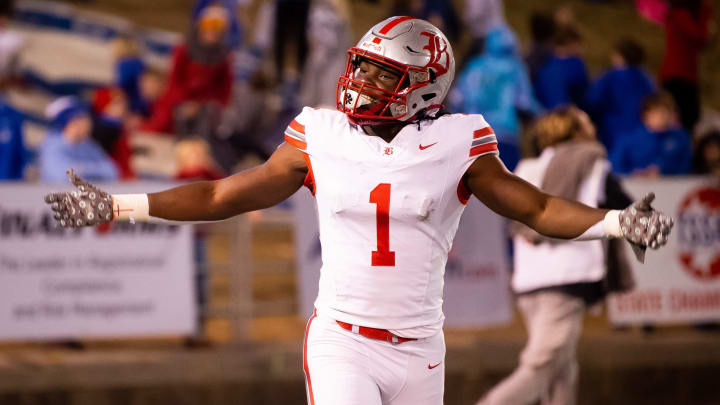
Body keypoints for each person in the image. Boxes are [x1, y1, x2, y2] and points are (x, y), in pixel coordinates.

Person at [44, 18, 673, 405]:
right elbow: (218, 195)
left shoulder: (461, 140)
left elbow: (534, 207)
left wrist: (618, 221)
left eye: (381, 75)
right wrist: (116, 204)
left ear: (423, 84)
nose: (362, 84)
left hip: (424, 347)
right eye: (363, 69)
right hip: (343, 340)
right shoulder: (319, 132)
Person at [476, 106, 635, 405]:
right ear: (572, 131)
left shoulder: (525, 168)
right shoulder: (592, 162)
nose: (593, 126)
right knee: (541, 366)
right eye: (586, 121)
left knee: (561, 366)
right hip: (566, 277)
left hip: (528, 280)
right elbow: (627, 207)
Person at [450, 25, 540, 171]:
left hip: (473, 136)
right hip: (506, 136)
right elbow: (524, 102)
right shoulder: (515, 67)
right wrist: (543, 114)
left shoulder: (475, 66)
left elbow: (457, 99)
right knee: (505, 187)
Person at [586, 38, 656, 153]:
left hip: (612, 130)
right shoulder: (646, 78)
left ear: (619, 56)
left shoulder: (609, 77)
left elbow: (593, 100)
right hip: (641, 130)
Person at [659, 0, 712, 133]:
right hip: (677, 74)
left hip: (685, 73)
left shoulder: (681, 14)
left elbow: (701, 42)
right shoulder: (680, 14)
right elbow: (700, 37)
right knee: (684, 117)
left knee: (689, 117)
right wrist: (705, 11)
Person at [39, 97, 119, 184]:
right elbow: (61, 177)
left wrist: (82, 169)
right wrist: (95, 172)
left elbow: (112, 171)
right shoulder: (52, 145)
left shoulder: (89, 145)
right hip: (58, 196)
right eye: (80, 119)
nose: (88, 124)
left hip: (87, 195)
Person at [610, 93, 692, 176]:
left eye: (665, 113)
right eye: (656, 113)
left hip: (672, 186)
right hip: (634, 186)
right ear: (645, 115)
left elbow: (685, 167)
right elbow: (616, 167)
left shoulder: (680, 138)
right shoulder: (627, 139)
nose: (661, 118)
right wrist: (634, 174)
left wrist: (663, 171)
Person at [533, 25, 589, 110]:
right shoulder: (576, 65)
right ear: (571, 43)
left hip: (544, 117)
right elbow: (586, 97)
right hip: (566, 117)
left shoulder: (543, 64)